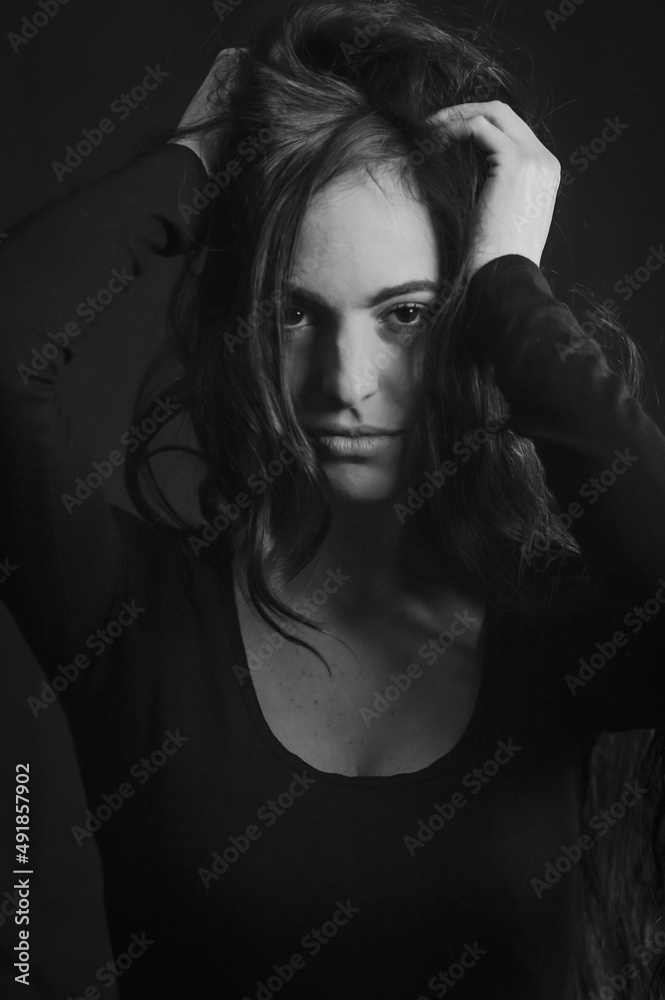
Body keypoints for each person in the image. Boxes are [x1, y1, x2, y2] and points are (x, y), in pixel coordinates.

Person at [1, 1, 664, 997]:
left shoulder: (564, 629)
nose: (343, 382)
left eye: (404, 315)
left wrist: (506, 291)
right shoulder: (124, 617)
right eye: (294, 315)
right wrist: (191, 158)